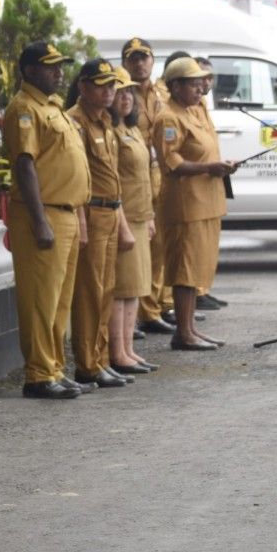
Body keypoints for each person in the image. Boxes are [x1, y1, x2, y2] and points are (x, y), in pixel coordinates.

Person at [3, 41, 92, 399]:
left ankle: (54, 367)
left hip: (66, 212)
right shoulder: (24, 109)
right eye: (50, 66)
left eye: (60, 66)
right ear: (29, 71)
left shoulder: (52, 107)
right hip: (43, 213)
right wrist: (40, 221)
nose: (58, 72)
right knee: (41, 299)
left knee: (59, 301)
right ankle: (39, 374)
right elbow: (25, 165)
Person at [154, 57, 236, 350]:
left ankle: (189, 329)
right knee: (185, 269)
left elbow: (205, 149)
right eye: (193, 82)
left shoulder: (198, 109)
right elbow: (171, 161)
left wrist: (220, 165)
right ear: (175, 86)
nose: (201, 87)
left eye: (202, 81)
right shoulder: (168, 118)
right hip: (186, 204)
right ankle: (183, 333)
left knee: (198, 266)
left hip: (207, 200)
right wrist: (207, 168)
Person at [65, 58, 134, 388]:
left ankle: (102, 358)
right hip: (90, 212)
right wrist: (80, 219)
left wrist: (121, 220)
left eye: (112, 85)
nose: (109, 91)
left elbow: (112, 175)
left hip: (109, 212)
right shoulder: (75, 122)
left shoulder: (105, 121)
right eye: (101, 85)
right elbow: (76, 177)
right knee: (89, 292)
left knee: (106, 289)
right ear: (83, 87)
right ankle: (87, 363)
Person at [121, 37, 175, 336]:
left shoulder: (162, 92)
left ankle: (158, 305)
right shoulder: (124, 95)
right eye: (133, 58)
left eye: (144, 57)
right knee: (142, 245)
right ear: (125, 63)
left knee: (161, 245)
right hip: (136, 174)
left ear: (153, 60)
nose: (139, 63)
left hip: (161, 172)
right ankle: (146, 310)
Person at [108, 67, 158, 374]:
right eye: (119, 92)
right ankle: (118, 352)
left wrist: (150, 216)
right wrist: (124, 222)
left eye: (129, 92)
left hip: (141, 217)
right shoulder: (111, 132)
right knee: (122, 288)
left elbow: (144, 176)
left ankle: (128, 348)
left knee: (136, 287)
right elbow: (112, 182)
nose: (125, 98)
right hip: (123, 217)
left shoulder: (133, 129)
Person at [192, 55, 229, 311]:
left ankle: (203, 288)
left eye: (209, 77)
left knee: (208, 243)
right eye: (201, 77)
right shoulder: (185, 107)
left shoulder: (202, 103)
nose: (206, 82)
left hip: (211, 182)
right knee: (194, 246)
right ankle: (194, 292)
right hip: (195, 184)